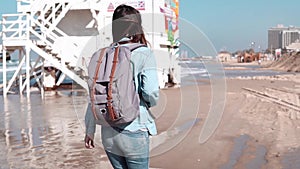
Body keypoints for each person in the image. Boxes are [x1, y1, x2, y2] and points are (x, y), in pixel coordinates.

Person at [84, 4, 159, 169]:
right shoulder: (143, 53)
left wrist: (89, 130)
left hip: (108, 133)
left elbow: (94, 95)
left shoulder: (101, 55)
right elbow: (151, 92)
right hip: (134, 129)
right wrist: (148, 103)